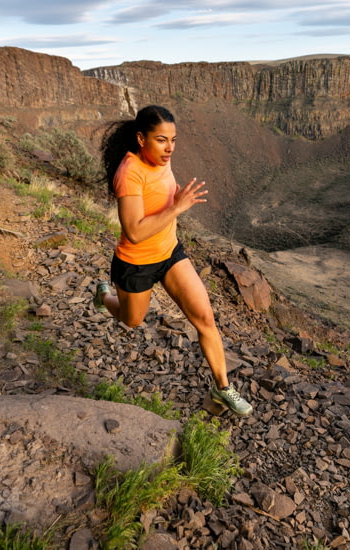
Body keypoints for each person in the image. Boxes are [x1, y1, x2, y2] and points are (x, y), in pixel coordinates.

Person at [92, 105, 253, 417]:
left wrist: (174, 200)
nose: (169, 149)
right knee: (132, 320)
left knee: (205, 319)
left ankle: (222, 389)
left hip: (170, 253)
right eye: (161, 140)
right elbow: (134, 232)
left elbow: (162, 197)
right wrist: (177, 207)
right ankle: (105, 296)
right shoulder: (130, 173)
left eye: (173, 140)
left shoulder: (161, 162)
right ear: (141, 139)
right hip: (136, 262)